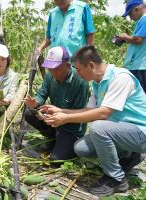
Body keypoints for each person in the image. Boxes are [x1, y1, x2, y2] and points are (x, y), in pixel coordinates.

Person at [43, 46, 146, 196]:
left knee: (98, 127)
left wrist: (65, 118)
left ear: (91, 65)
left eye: (78, 69)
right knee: (81, 148)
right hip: (123, 132)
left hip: (141, 133)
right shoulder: (98, 83)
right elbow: (89, 110)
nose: (77, 73)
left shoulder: (120, 78)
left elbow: (104, 113)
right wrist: (61, 111)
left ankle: (116, 179)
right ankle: (129, 155)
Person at [23, 46, 90, 161]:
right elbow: (41, 94)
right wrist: (36, 102)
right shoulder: (50, 76)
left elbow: (82, 114)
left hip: (71, 127)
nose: (52, 72)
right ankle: (54, 138)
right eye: (50, 68)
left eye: (56, 69)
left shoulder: (80, 82)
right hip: (54, 121)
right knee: (29, 113)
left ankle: (68, 143)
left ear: (68, 66)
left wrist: (62, 117)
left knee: (56, 159)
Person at [36, 0, 95, 77]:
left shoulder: (82, 8)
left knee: (77, 87)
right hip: (55, 64)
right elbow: (49, 38)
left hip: (76, 64)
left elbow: (90, 34)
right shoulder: (53, 13)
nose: (59, 1)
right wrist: (40, 48)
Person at [118, 0, 146, 92]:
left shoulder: (144, 19)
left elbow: (138, 40)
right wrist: (126, 40)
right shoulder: (142, 20)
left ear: (136, 9)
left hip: (140, 67)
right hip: (138, 66)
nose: (130, 17)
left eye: (130, 14)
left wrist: (125, 36)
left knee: (140, 97)